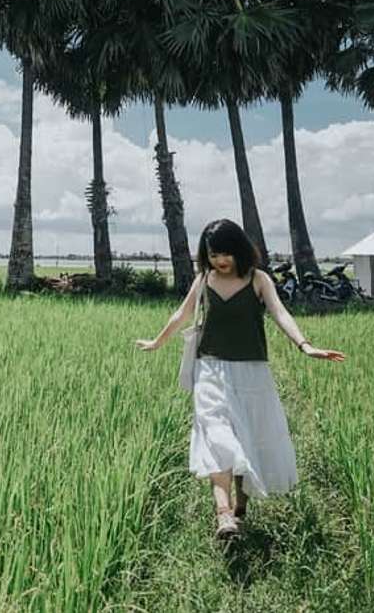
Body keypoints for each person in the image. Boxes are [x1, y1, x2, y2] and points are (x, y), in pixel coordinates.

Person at [133, 218, 346, 540]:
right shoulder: (204, 279)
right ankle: (223, 515)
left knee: (248, 438)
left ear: (239, 251)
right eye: (214, 254)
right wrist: (156, 342)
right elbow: (183, 313)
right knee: (217, 435)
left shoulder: (258, 279)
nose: (221, 261)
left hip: (252, 370)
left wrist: (305, 345)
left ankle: (240, 509)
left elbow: (279, 312)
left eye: (227, 254)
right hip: (211, 368)